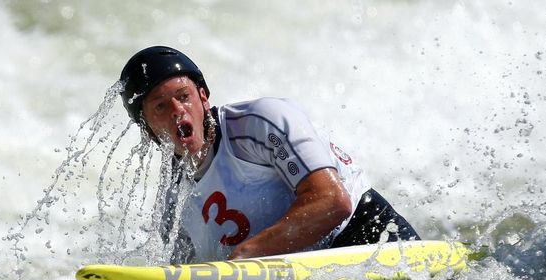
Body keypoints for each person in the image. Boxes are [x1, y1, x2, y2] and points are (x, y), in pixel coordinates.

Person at [119, 46, 419, 262]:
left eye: (184, 97)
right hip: (294, 275)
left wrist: (246, 254)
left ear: (203, 97)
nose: (177, 111)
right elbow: (183, 273)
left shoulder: (259, 123)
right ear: (147, 128)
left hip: (366, 235)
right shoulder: (173, 194)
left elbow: (332, 202)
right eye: (160, 106)